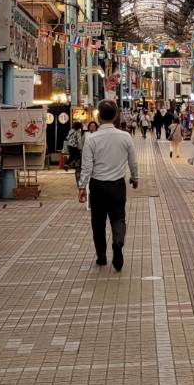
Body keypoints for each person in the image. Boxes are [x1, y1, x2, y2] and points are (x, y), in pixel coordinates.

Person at [78, 99, 139, 271]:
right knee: (118, 218)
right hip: (117, 185)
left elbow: (87, 166)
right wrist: (135, 178)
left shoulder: (91, 138)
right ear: (116, 116)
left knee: (98, 222)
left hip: (97, 186)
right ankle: (118, 242)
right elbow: (133, 162)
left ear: (98, 116)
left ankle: (102, 256)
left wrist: (82, 186)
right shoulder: (125, 137)